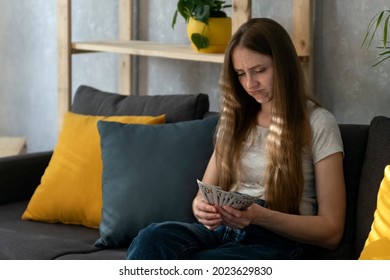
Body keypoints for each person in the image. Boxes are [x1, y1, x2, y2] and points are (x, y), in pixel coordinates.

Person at [126, 18, 346, 260]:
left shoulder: (318, 122)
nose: (250, 84)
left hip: (276, 240)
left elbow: (332, 231)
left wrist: (259, 216)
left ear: (283, 65)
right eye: (241, 74)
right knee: (151, 239)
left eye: (260, 71)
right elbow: (204, 194)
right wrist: (202, 209)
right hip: (222, 231)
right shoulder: (235, 121)